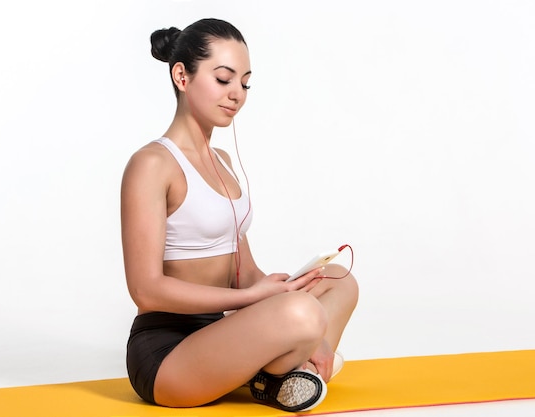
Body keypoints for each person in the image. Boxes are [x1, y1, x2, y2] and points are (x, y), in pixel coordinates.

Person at [121, 18, 358, 413]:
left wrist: (279, 288)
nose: (236, 94)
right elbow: (145, 289)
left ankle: (284, 371)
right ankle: (290, 369)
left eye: (244, 83)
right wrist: (255, 300)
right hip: (167, 355)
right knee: (302, 314)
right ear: (182, 75)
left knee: (338, 281)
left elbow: (244, 271)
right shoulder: (151, 164)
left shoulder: (225, 163)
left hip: (223, 331)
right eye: (224, 79)